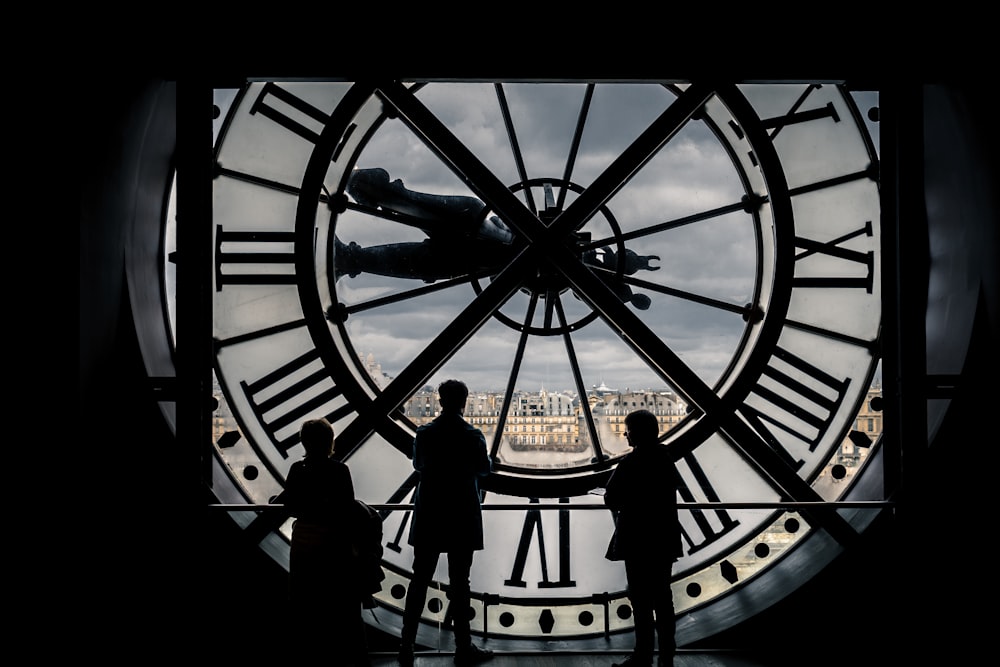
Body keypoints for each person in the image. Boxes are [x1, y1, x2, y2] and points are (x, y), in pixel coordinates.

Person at [398, 379, 494, 667]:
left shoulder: (425, 434)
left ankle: (406, 644)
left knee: (419, 580)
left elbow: (419, 465)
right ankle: (463, 647)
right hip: (461, 514)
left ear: (440, 401)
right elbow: (483, 469)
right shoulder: (472, 436)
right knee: (460, 585)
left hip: (430, 513)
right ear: (464, 401)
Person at [278, 418, 369, 666]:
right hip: (334, 543)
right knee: (339, 603)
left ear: (304, 442)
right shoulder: (339, 471)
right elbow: (346, 508)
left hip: (304, 541)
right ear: (330, 441)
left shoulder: (298, 469)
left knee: (304, 601)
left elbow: (289, 504)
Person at [604, 410, 682, 667]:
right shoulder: (665, 460)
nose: (625, 433)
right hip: (663, 537)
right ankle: (667, 652)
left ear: (636, 433)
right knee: (662, 596)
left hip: (637, 538)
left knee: (641, 599)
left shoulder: (630, 464)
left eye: (627, 429)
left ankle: (643, 653)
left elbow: (611, 498)